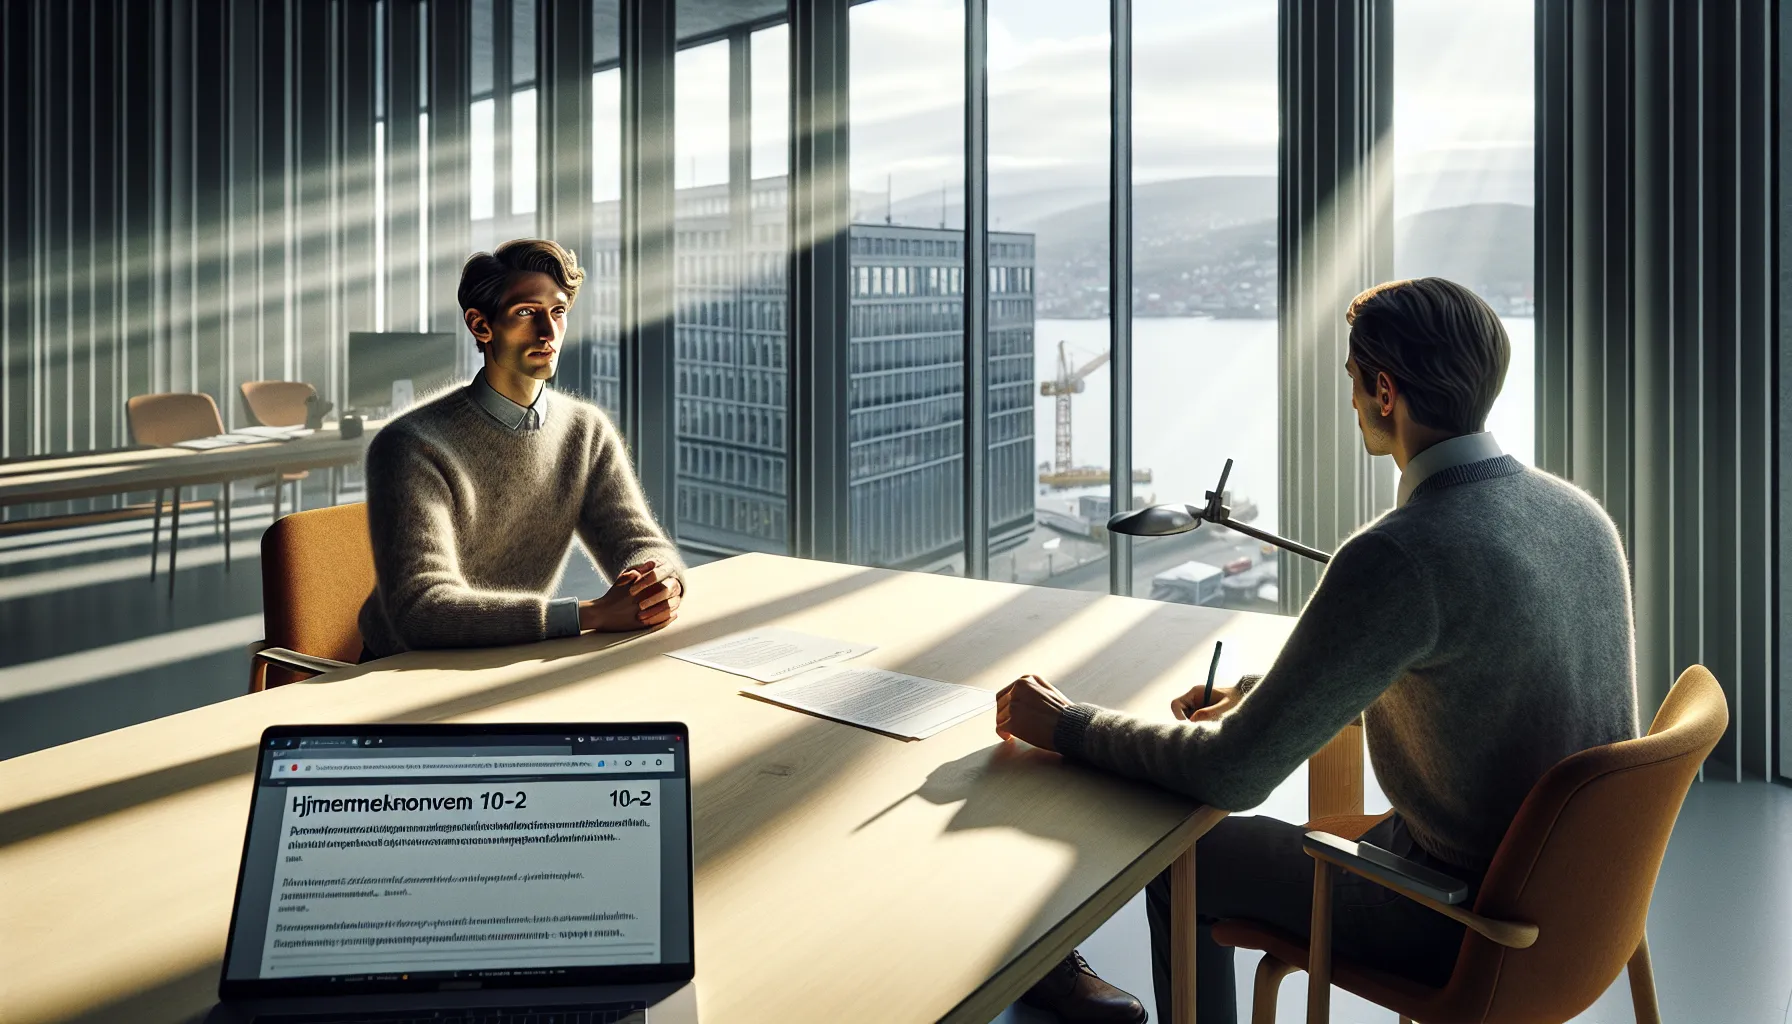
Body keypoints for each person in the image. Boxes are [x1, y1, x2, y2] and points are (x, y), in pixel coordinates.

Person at [997, 277, 1638, 1023]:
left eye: (1352, 381)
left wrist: (1068, 724)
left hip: (1467, 924)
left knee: (1187, 861)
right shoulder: (1578, 514)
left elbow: (1231, 772)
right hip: (1586, 905)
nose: (1352, 400)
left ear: (1384, 391)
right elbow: (1468, 672)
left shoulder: (1402, 554)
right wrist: (1265, 693)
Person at [357, 238, 683, 659]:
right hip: (399, 673)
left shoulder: (585, 431)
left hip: (513, 656)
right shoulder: (413, 444)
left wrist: (660, 581)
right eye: (526, 312)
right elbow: (423, 611)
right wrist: (589, 615)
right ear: (481, 325)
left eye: (559, 311)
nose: (548, 333)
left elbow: (640, 542)